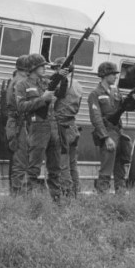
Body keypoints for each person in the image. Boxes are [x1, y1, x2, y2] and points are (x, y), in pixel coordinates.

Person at [16, 53, 67, 200]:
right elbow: (21, 106)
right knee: (34, 167)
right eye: (42, 65)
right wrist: (41, 100)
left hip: (52, 125)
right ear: (32, 68)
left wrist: (63, 78)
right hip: (37, 126)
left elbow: (61, 93)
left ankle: (56, 200)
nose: (45, 68)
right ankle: (27, 200)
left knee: (55, 167)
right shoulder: (22, 85)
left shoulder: (45, 82)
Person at [88, 62, 135, 194]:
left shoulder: (115, 91)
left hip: (118, 132)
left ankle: (121, 194)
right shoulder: (95, 94)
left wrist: (132, 100)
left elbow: (126, 107)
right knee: (107, 167)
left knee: (120, 167)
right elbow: (96, 118)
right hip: (108, 132)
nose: (115, 77)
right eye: (113, 74)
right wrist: (105, 137)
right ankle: (102, 195)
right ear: (104, 75)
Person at [51, 57, 83, 196]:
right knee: (73, 164)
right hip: (72, 126)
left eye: (55, 68)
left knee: (62, 163)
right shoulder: (78, 85)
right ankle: (76, 192)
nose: (54, 71)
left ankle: (67, 193)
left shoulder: (60, 84)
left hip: (61, 125)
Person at [5, 55, 29, 195]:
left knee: (18, 161)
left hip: (16, 123)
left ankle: (16, 193)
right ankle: (17, 195)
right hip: (18, 123)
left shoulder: (16, 80)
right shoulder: (20, 83)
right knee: (20, 162)